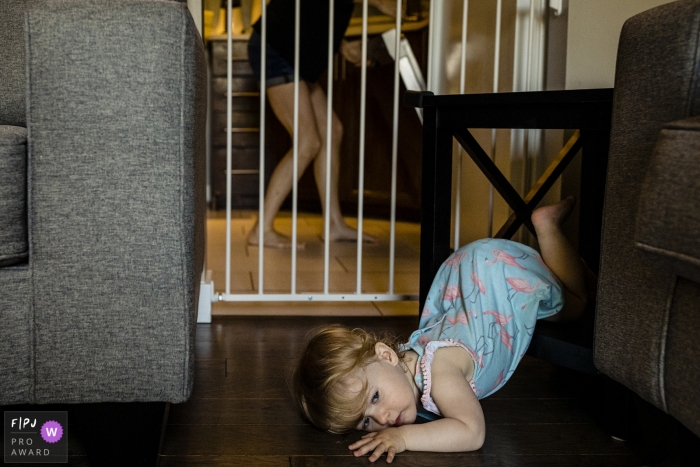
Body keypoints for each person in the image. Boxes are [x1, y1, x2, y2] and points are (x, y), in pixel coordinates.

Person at [291, 196, 594, 461]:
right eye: (366, 423)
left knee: (576, 305)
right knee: (560, 284)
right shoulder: (404, 361)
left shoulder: (440, 373)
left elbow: (471, 431)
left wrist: (405, 439)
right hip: (473, 272)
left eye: (374, 398)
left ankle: (547, 227)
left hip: (497, 278)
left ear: (386, 355)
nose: (382, 418)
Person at [247, 0, 397, 248]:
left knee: (332, 131)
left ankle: (333, 224)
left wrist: (342, 46)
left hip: (296, 54)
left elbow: (313, 16)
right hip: (277, 49)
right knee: (308, 143)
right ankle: (261, 230)